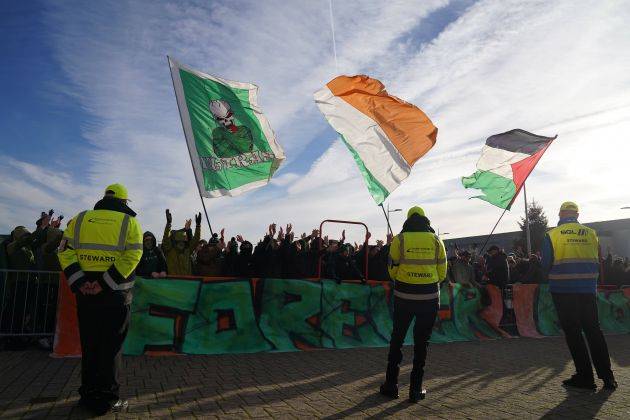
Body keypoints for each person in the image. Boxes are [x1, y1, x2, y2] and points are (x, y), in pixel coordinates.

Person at [57, 184, 143, 414]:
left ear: (104, 198)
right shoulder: (130, 223)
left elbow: (64, 251)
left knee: (90, 345)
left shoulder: (80, 219)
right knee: (111, 348)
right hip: (116, 294)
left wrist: (81, 281)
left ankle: (88, 395)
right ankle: (107, 399)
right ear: (125, 202)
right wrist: (104, 283)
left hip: (86, 294)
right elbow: (133, 254)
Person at [542, 201, 617, 391]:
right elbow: (597, 261)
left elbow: (545, 265)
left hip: (563, 290)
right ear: (577, 215)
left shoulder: (552, 235)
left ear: (560, 215)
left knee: (574, 334)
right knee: (594, 331)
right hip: (587, 289)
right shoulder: (592, 234)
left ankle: (585, 377)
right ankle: (608, 378)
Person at [380, 206, 447, 403]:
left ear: (408, 219)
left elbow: (392, 270)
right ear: (425, 219)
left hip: (404, 298)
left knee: (397, 340)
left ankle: (391, 386)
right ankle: (415, 391)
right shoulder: (436, 240)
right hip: (429, 299)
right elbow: (442, 272)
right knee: (421, 344)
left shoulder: (399, 240)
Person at [161, 210, 201, 276]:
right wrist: (168, 224)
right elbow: (165, 238)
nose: (181, 243)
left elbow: (196, 240)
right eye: (179, 241)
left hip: (187, 283)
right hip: (173, 283)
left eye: (183, 241)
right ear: (175, 241)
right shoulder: (170, 250)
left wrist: (198, 226)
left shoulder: (188, 250)